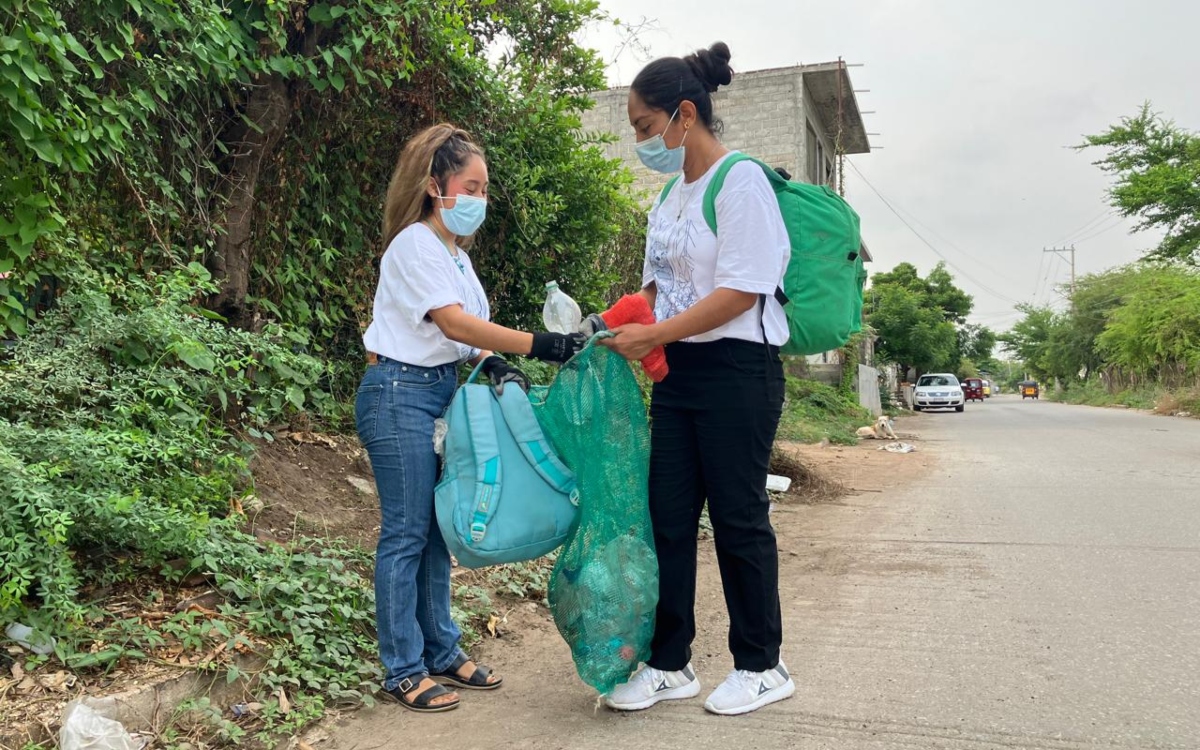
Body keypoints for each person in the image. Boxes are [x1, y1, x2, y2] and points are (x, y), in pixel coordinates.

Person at [358, 124, 585, 712]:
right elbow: (453, 323)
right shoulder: (413, 244)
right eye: (472, 186)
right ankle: (402, 668)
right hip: (397, 394)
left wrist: (494, 364)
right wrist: (538, 344)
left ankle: (441, 651)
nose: (480, 199)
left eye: (486, 190)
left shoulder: (455, 256)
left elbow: (468, 337)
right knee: (407, 533)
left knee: (435, 529)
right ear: (436, 187)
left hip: (436, 393)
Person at [598, 42, 795, 716]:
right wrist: (613, 324)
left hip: (739, 371)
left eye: (644, 126)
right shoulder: (670, 196)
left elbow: (742, 290)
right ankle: (670, 661)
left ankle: (763, 664)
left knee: (739, 517)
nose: (639, 141)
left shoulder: (741, 181)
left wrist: (653, 333)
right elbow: (657, 291)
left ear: (684, 115)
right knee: (669, 518)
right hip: (679, 375)